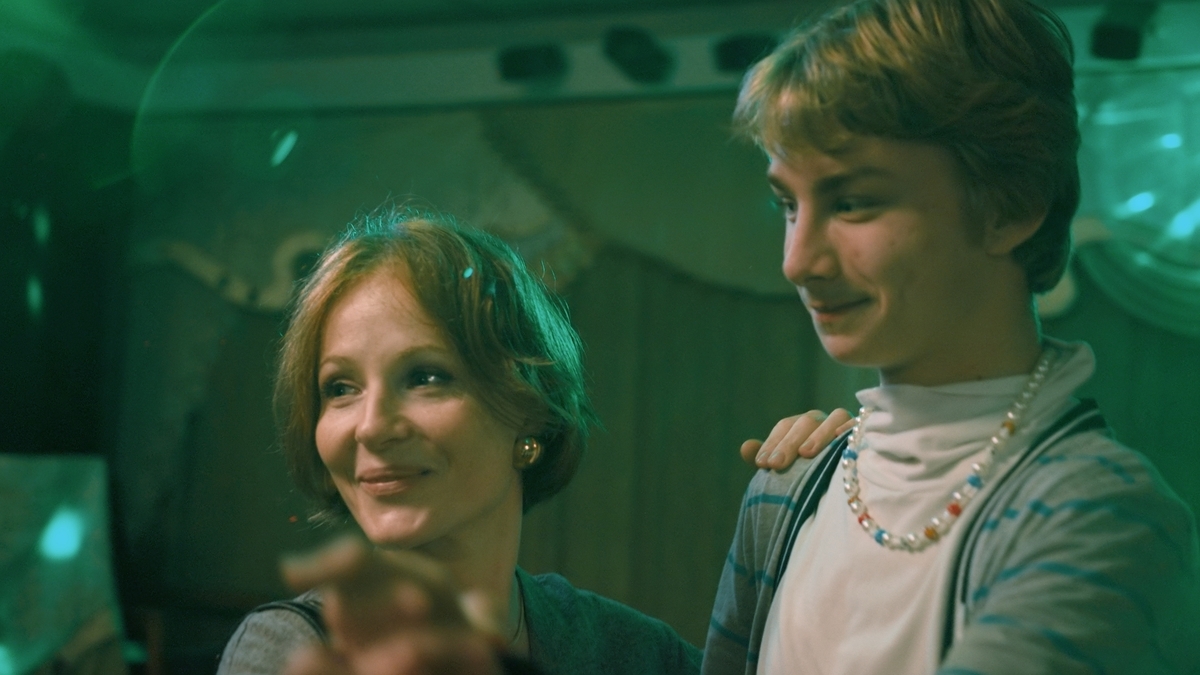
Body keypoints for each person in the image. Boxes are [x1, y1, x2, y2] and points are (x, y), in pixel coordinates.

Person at [703, 0, 1200, 674]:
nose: (798, 260)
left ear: (1012, 205)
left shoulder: (1105, 515)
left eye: (853, 202)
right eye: (788, 205)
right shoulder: (787, 491)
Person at [215, 209, 846, 675]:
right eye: (340, 388)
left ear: (529, 412)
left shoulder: (627, 652)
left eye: (425, 377)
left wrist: (840, 488)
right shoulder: (291, 651)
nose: (372, 425)